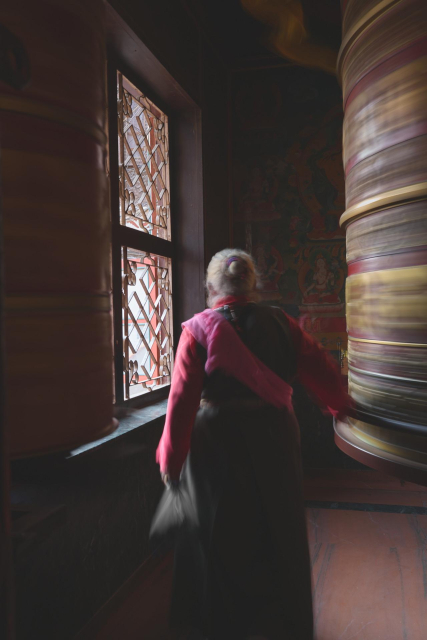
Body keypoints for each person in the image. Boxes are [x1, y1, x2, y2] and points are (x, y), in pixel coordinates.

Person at [151, 248, 351, 640]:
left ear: (210, 287)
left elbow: (181, 403)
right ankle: (280, 625)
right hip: (274, 438)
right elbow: (321, 370)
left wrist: (170, 460)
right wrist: (341, 405)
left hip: (214, 445)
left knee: (218, 531)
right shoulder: (282, 324)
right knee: (277, 526)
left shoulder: (197, 331)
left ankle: (220, 625)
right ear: (252, 285)